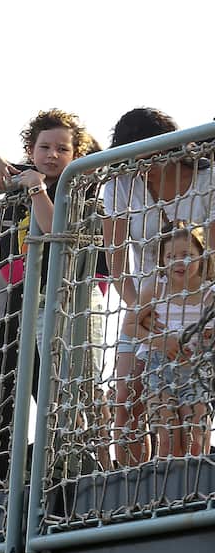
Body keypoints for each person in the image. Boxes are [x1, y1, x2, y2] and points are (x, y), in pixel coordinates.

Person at [0, 108, 107, 480]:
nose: (51, 155)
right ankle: (33, 469)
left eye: (62, 149)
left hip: (70, 301)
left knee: (73, 388)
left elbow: (53, 229)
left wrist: (35, 189)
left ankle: (89, 464)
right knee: (27, 388)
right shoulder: (26, 171)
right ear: (30, 149)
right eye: (43, 147)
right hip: (31, 301)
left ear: (75, 155)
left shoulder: (81, 186)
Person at [101, 108, 215, 465]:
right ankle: (137, 491)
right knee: (128, 395)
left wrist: (195, 318)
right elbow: (116, 263)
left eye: (148, 153)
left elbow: (212, 258)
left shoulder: (207, 181)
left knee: (193, 406)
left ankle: (195, 484)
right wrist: (143, 312)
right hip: (144, 303)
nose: (141, 164)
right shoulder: (120, 186)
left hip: (199, 302)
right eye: (132, 156)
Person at [123, 223, 215, 460]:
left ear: (201, 256)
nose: (178, 262)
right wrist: (160, 341)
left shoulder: (209, 294)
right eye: (171, 256)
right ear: (163, 261)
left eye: (187, 255)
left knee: (196, 437)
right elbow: (130, 325)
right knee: (168, 441)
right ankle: (164, 493)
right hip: (160, 370)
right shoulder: (157, 290)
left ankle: (197, 490)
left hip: (196, 372)